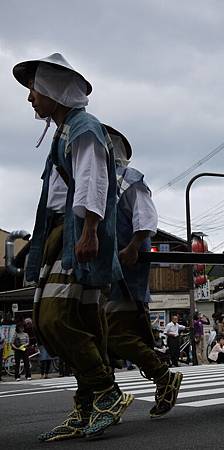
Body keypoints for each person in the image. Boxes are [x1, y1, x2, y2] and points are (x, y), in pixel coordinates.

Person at [13, 53, 132, 441]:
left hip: (77, 232)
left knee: (54, 318)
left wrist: (90, 231)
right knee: (76, 322)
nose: (31, 97)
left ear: (53, 90)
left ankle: (107, 391)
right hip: (61, 234)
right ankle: (84, 408)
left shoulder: (83, 127)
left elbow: (93, 180)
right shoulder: (65, 130)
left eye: (35, 89)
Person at [103, 125, 183, 417]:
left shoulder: (128, 179)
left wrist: (134, 246)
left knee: (112, 334)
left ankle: (163, 375)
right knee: (113, 334)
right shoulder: (101, 183)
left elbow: (146, 218)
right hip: (107, 271)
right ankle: (155, 379)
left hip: (125, 271)